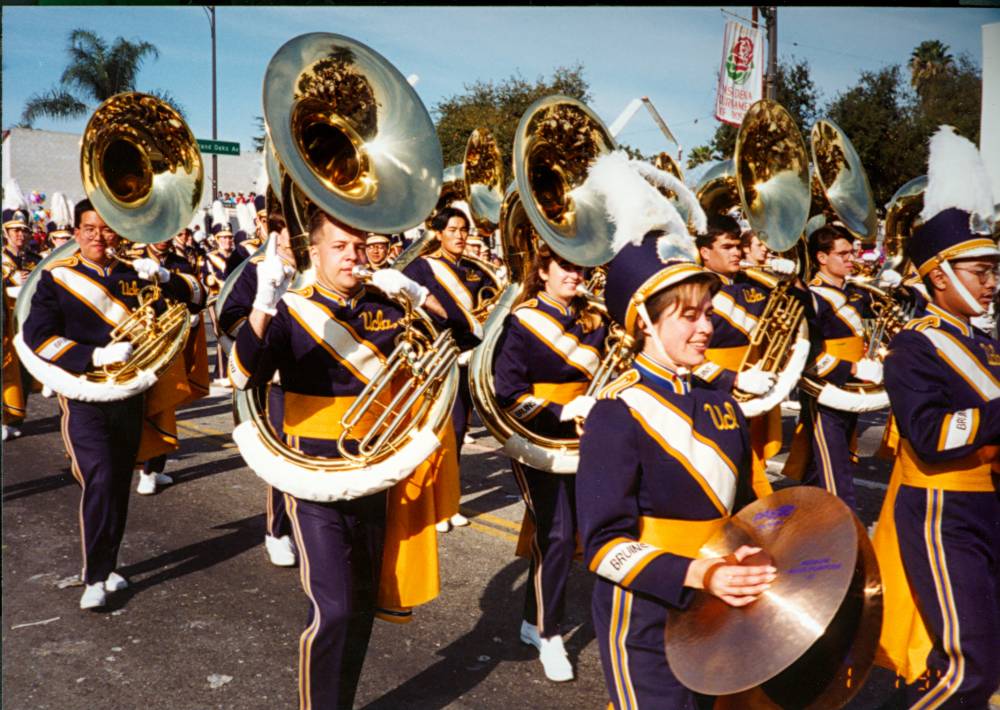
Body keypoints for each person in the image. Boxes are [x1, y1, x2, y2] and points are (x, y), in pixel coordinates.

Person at [229, 208, 448, 709]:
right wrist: (264, 304)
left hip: (374, 468)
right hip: (313, 475)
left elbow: (462, 338)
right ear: (316, 253)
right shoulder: (293, 309)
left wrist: (419, 296)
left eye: (357, 247)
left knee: (362, 606)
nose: (351, 257)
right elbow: (245, 374)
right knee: (335, 609)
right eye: (338, 248)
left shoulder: (388, 305)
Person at [577, 228, 775, 709]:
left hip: (716, 599)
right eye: (689, 316)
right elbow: (603, 548)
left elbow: (745, 503)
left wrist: (750, 551)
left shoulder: (720, 401)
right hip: (645, 607)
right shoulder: (617, 410)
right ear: (644, 322)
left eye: (708, 312)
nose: (706, 327)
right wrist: (696, 574)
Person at [20, 198, 203, 609]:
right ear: (76, 233)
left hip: (130, 395)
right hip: (86, 393)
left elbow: (196, 297)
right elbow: (39, 337)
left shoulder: (137, 273)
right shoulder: (57, 278)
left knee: (119, 480)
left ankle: (109, 565)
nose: (99, 237)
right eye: (90, 229)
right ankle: (94, 576)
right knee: (100, 475)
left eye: (106, 229)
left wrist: (164, 275)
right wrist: (92, 355)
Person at [871, 126, 1000, 708]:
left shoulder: (984, 343)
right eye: (981, 272)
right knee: (964, 669)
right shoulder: (915, 347)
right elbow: (930, 435)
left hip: (986, 505)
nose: (993, 283)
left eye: (995, 271)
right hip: (942, 509)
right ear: (940, 276)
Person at [493, 244, 607, 682]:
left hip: (587, 438)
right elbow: (508, 393)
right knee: (557, 532)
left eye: (580, 266)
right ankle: (549, 633)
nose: (575, 274)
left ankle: (531, 618)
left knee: (568, 534)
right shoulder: (521, 322)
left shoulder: (595, 317)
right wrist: (561, 411)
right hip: (536, 438)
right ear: (542, 271)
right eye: (565, 266)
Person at [782, 224, 884, 511]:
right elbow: (807, 350)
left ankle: (808, 530)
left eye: (852, 253)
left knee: (820, 467)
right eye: (843, 254)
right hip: (825, 389)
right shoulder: (813, 296)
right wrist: (851, 369)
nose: (851, 259)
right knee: (835, 477)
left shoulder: (855, 292)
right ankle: (844, 538)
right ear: (822, 258)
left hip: (852, 389)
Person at [218, 210, 299, 567]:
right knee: (285, 456)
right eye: (286, 236)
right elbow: (231, 317)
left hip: (326, 379)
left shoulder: (324, 265)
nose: (291, 244)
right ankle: (278, 531)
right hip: (280, 378)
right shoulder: (257, 268)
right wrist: (263, 323)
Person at [403, 206, 491, 532]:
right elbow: (408, 308)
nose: (459, 235)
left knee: (455, 431)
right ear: (438, 233)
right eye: (452, 229)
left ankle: (449, 502)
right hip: (436, 359)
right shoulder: (420, 267)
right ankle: (433, 504)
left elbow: (489, 305)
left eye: (463, 230)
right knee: (436, 432)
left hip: (467, 359)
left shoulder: (474, 269)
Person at [131, 237, 209, 495]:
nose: (163, 238)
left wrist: (193, 314)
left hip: (170, 339)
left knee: (165, 404)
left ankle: (154, 469)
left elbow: (197, 296)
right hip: (138, 340)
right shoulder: (130, 259)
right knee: (142, 405)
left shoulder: (180, 263)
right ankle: (143, 466)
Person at [3, 180, 41, 440]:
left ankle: (16, 414)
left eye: (24, 230)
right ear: (5, 233)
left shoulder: (35, 261)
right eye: (14, 230)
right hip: (4, 322)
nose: (20, 235)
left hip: (26, 325)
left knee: (24, 372)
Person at [202, 224, 235, 385]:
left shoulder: (238, 255)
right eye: (223, 237)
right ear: (217, 239)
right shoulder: (210, 257)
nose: (227, 240)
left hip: (235, 298)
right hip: (217, 298)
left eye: (229, 237)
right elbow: (207, 278)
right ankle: (222, 374)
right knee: (221, 333)